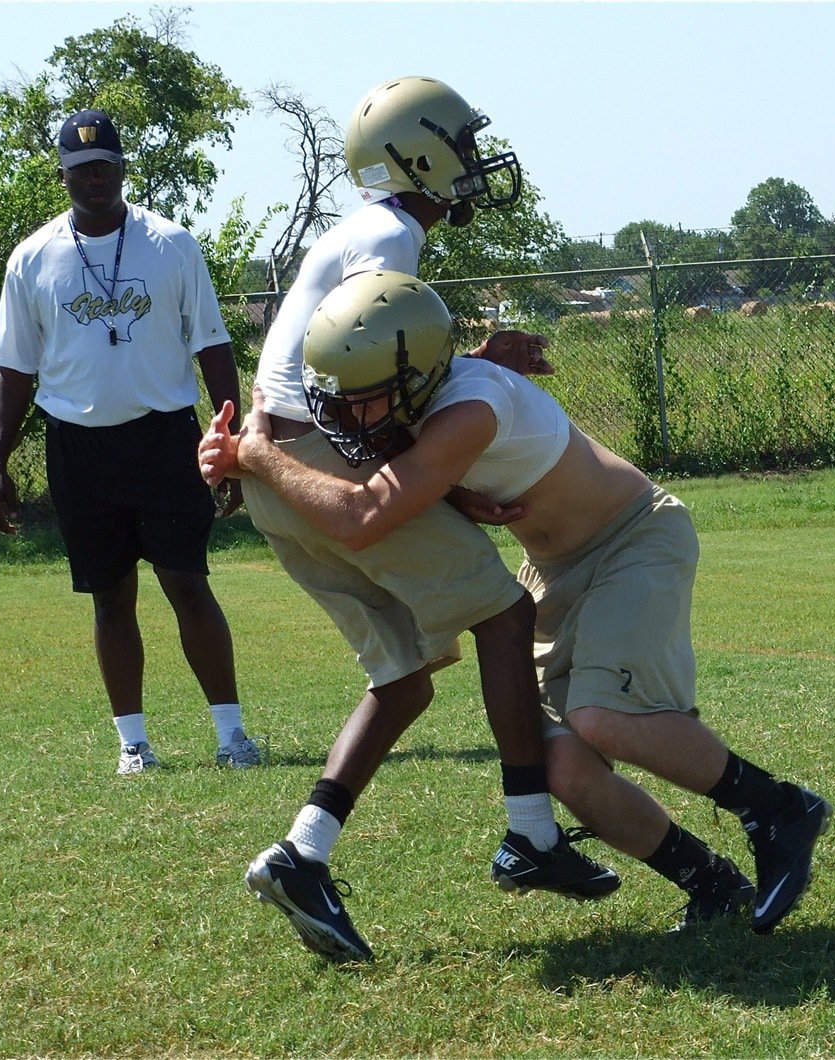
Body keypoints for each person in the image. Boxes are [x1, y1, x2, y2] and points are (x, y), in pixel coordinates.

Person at [201, 270, 834, 937]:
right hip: (552, 569)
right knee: (556, 761)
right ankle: (711, 883)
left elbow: (363, 517)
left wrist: (257, 456)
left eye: (367, 400)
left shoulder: (468, 408)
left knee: (601, 717)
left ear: (415, 380)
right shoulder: (423, 391)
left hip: (633, 538)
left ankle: (781, 809)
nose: (348, 418)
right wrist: (229, 453)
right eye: (340, 398)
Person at [215, 77, 618, 964]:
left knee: (404, 679)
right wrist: (433, 479)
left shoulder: (359, 231)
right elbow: (355, 377)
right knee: (505, 614)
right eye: (462, 146)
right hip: (319, 461)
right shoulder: (393, 233)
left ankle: (302, 855)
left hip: (276, 474)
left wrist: (465, 369)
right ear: (421, 156)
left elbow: (342, 365)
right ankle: (532, 834)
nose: (475, 161)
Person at [0, 109, 261, 775]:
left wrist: (232, 438)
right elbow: (14, 369)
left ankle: (232, 735)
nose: (95, 178)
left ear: (122, 169)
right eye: (81, 170)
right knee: (110, 597)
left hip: (164, 439)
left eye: (105, 165)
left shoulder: (171, 244)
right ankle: (133, 743)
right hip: (79, 448)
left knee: (187, 583)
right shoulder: (33, 258)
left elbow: (213, 345)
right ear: (63, 177)